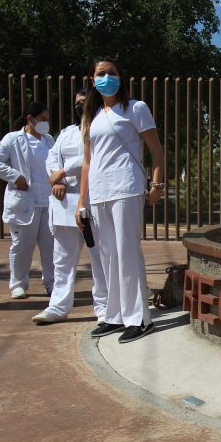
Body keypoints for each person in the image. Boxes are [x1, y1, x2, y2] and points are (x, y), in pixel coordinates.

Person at [78, 56, 165, 344]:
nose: (106, 78)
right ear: (92, 80)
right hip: (99, 191)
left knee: (127, 252)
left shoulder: (135, 108)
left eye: (111, 72)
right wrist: (82, 201)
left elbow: (156, 150)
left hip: (126, 187)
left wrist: (157, 184)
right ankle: (115, 315)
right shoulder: (91, 116)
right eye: (101, 74)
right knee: (107, 256)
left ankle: (139, 318)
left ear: (120, 76)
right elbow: (88, 162)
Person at [31, 89, 108, 325]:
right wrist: (59, 180)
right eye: (77, 103)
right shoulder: (66, 132)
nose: (80, 106)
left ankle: (104, 307)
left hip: (92, 204)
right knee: (62, 260)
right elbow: (52, 157)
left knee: (100, 259)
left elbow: (91, 158)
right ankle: (57, 307)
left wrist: (64, 171)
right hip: (64, 204)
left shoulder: (102, 129)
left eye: (85, 102)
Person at [0, 101, 56, 299]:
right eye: (42, 119)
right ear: (30, 119)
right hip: (26, 201)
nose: (46, 123)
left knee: (50, 246)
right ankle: (18, 283)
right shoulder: (13, 139)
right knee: (22, 246)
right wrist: (15, 176)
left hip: (48, 201)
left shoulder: (49, 140)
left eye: (47, 120)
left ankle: (52, 284)